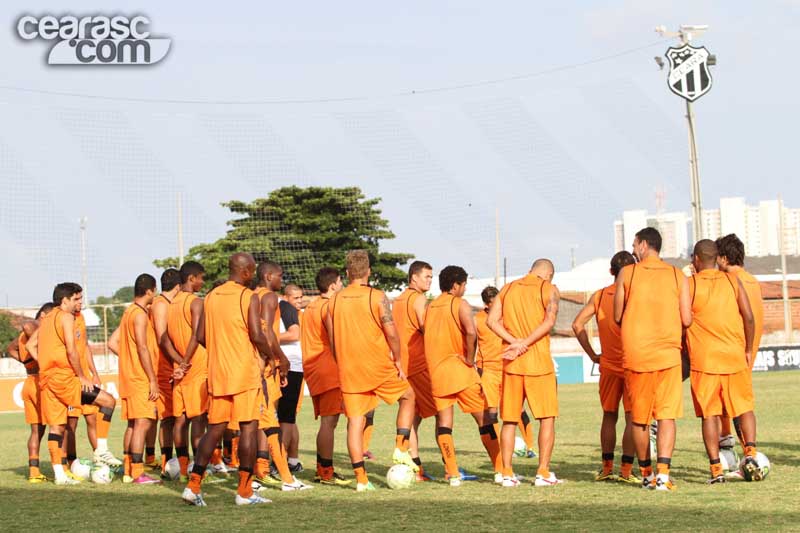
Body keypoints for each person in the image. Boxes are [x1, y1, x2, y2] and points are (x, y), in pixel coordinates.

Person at [182, 253, 273, 506]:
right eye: (252, 271)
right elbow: (256, 333)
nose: (253, 275)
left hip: (218, 372)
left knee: (215, 429)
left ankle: (193, 486)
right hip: (244, 372)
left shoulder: (210, 296)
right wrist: (273, 356)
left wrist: (221, 349)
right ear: (244, 272)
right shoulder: (248, 296)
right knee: (248, 428)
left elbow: (200, 335)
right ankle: (244, 491)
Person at [326, 249, 417, 492]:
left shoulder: (333, 300)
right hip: (377, 366)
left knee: (355, 423)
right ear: (368, 272)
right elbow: (392, 333)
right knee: (408, 397)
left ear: (347, 273)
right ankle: (400, 447)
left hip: (350, 369)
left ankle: (361, 480)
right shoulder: (377, 297)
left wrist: (340, 360)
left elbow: (332, 338)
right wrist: (397, 359)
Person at [613, 227, 692, 492]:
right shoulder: (677, 275)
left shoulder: (627, 273)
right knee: (667, 416)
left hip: (637, 355)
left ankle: (646, 473)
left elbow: (616, 315)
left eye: (635, 245)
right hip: (668, 355)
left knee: (639, 418)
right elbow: (687, 319)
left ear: (644, 245)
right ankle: (664, 475)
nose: (633, 250)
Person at [686, 240, 761, 483]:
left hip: (705, 361)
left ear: (697, 259)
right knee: (744, 408)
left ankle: (717, 470)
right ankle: (750, 456)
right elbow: (749, 317)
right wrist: (748, 349)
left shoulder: (691, 285)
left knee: (709, 415)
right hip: (734, 356)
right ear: (717, 258)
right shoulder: (731, 280)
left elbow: (683, 320)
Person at [30, 283, 118, 485]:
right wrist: (81, 376)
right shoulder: (66, 317)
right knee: (108, 401)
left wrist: (44, 363)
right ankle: (102, 451)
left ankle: (60, 475)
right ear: (64, 300)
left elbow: (31, 345)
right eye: (76, 299)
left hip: (47, 379)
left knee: (57, 427)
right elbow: (72, 350)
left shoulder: (47, 318)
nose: (80, 302)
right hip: (65, 378)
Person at [424, 265, 503, 487]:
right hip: (460, 371)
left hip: (437, 374)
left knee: (445, 423)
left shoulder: (430, 307)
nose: (465, 288)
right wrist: (470, 359)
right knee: (484, 419)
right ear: (456, 285)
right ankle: (500, 470)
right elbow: (470, 331)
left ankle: (452, 474)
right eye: (464, 284)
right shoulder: (459, 303)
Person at [488, 259, 561, 487]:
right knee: (546, 419)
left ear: (530, 270)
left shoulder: (508, 288)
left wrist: (514, 342)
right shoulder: (548, 289)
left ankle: (507, 473)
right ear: (548, 275)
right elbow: (549, 321)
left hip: (512, 364)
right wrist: (525, 343)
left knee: (509, 420)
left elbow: (492, 321)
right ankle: (543, 472)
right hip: (538, 364)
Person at [572, 251, 639, 483]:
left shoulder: (600, 296)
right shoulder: (635, 294)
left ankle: (607, 468)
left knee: (609, 416)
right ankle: (627, 471)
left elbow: (577, 324)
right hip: (633, 364)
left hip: (608, 365)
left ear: (611, 271)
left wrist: (593, 355)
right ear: (634, 271)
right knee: (633, 418)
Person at [253, 261, 309, 491]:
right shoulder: (268, 298)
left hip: (248, 366)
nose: (281, 279)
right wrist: (279, 359)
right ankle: (280, 475)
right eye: (279, 276)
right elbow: (266, 333)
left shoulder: (248, 296)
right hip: (264, 368)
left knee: (253, 423)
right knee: (274, 421)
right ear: (268, 276)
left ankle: (258, 472)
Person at [301, 267, 350, 485]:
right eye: (340, 282)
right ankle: (326, 471)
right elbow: (334, 338)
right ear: (332, 285)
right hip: (328, 368)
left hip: (313, 368)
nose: (342, 286)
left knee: (326, 422)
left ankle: (322, 468)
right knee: (330, 422)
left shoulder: (311, 306)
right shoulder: (330, 306)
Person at [715, 233, 764, 453]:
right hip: (747, 351)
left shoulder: (731, 283)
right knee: (733, 405)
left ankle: (744, 454)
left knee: (727, 406)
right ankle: (743, 452)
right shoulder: (752, 280)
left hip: (732, 352)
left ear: (724, 259)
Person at [475, 286, 537, 463]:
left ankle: (530, 446)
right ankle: (500, 450)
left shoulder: (508, 317)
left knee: (518, 409)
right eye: (494, 304)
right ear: (487, 304)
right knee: (492, 412)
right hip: (488, 371)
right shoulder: (478, 320)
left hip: (508, 367)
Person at [391, 261, 438, 481]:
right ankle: (452, 468)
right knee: (443, 411)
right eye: (427, 276)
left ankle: (415, 466)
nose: (430, 280)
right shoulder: (419, 299)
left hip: (403, 365)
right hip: (419, 365)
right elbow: (426, 327)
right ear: (414, 277)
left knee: (413, 417)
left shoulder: (398, 300)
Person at [118, 274, 162, 485]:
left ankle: (128, 470)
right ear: (149, 291)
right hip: (140, 377)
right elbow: (142, 347)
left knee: (133, 424)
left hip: (129, 376)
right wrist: (152, 379)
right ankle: (137, 472)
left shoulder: (128, 312)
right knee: (143, 424)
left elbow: (113, 342)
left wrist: (128, 360)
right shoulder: (140, 315)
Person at [168, 261, 208, 480]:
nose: (203, 282)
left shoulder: (173, 303)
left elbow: (164, 339)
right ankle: (198, 470)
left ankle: (183, 469)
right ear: (192, 279)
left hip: (180, 369)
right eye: (201, 278)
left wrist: (178, 362)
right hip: (196, 366)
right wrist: (185, 361)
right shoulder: (195, 302)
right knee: (199, 419)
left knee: (181, 420)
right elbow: (197, 335)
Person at [5, 303, 53, 482]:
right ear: (45, 315)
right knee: (58, 426)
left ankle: (34, 472)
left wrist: (25, 361)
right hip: (40, 382)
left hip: (29, 381)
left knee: (36, 431)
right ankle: (62, 466)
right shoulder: (37, 327)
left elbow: (10, 349)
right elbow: (27, 324)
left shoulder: (23, 338)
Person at [150, 268, 184, 476]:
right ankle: (166, 463)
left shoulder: (165, 303)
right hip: (164, 368)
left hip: (170, 367)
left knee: (174, 416)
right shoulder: (161, 304)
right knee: (169, 418)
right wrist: (179, 361)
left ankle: (173, 462)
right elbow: (163, 338)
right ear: (179, 287)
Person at [278, 283, 304, 473]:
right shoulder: (283, 308)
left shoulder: (287, 309)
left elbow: (294, 334)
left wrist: (267, 337)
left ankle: (281, 461)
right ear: (284, 297)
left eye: (300, 297)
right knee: (288, 417)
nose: (299, 301)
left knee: (286, 417)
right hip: (289, 366)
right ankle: (291, 461)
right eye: (295, 298)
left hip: (292, 366)